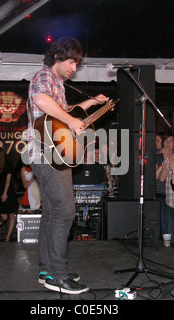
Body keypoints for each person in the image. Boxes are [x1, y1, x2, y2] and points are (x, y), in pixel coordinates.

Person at [26, 37, 108, 294]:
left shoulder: (58, 84)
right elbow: (40, 99)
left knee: (51, 213)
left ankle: (46, 269)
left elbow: (63, 113)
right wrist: (71, 121)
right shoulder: (45, 77)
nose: (75, 67)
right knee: (65, 212)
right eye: (73, 61)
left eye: (78, 63)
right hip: (48, 156)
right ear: (59, 57)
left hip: (48, 155)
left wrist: (91, 104)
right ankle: (57, 276)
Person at [0, 147, 18, 242]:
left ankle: (8, 237)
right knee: (4, 216)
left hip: (8, 190)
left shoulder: (8, 163)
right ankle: (0, 222)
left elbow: (8, 180)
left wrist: (5, 193)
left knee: (11, 214)